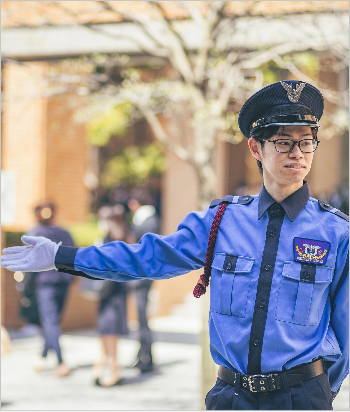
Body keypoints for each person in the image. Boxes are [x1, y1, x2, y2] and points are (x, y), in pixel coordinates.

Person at [1, 80, 348, 410]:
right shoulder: (220, 221)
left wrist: (316, 392)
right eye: (284, 142)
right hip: (231, 398)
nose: (298, 153)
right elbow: (148, 257)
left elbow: (345, 334)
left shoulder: (335, 233)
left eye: (306, 141)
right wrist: (61, 256)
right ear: (256, 147)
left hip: (301, 399)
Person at [25, 202, 75, 377]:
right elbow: (73, 257)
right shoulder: (65, 233)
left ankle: (61, 362)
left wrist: (26, 285)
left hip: (45, 283)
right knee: (53, 322)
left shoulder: (35, 233)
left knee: (50, 322)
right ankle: (42, 355)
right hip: (63, 282)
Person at [93, 204, 129, 387]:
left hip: (113, 292)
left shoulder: (112, 240)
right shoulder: (121, 238)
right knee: (106, 331)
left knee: (110, 332)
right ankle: (104, 365)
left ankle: (114, 370)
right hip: (111, 292)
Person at [127, 187, 160, 373]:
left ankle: (146, 357)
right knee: (140, 317)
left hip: (142, 276)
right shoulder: (149, 220)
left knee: (142, 317)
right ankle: (143, 355)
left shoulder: (146, 222)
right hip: (144, 275)